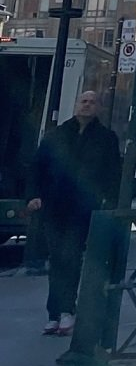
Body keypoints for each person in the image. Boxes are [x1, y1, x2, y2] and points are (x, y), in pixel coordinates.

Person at [27, 91, 122, 337]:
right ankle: (56, 313)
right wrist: (34, 196)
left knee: (70, 257)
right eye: (84, 101)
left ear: (99, 108)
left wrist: (108, 201)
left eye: (92, 102)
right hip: (55, 207)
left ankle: (66, 311)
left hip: (83, 209)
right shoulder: (56, 135)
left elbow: (113, 173)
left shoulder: (106, 139)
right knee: (57, 259)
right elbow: (37, 167)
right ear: (76, 105)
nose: (87, 106)